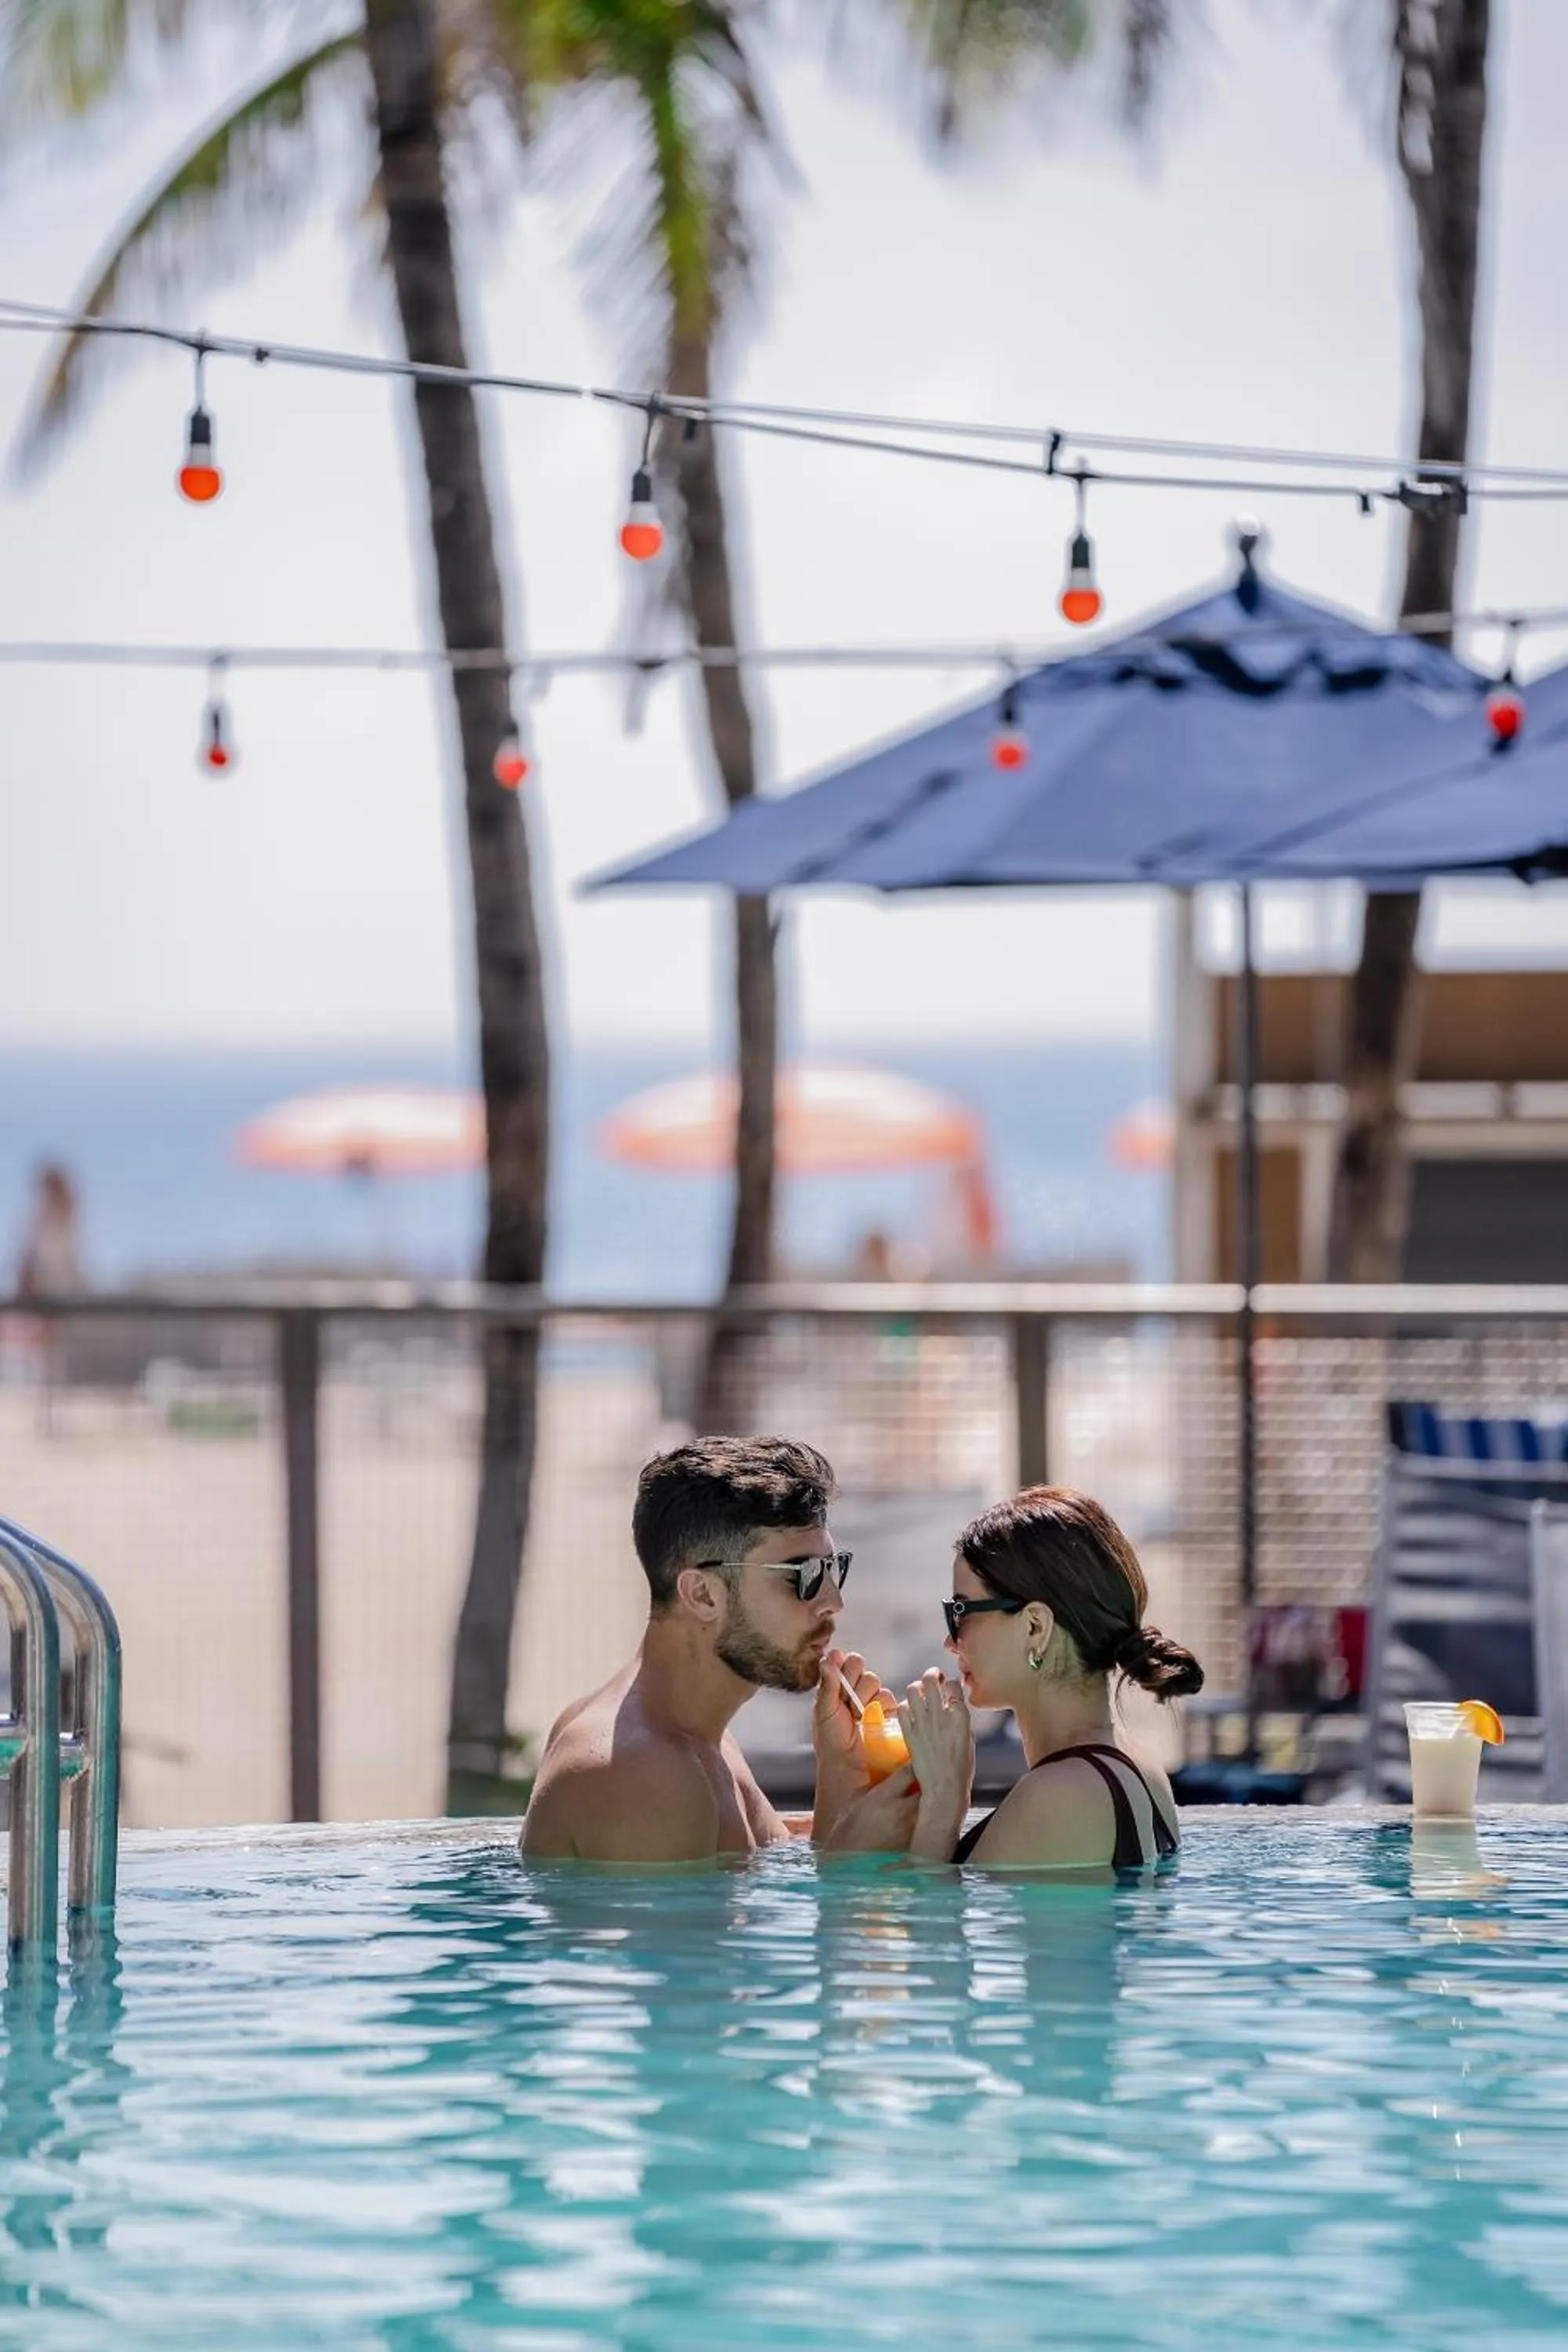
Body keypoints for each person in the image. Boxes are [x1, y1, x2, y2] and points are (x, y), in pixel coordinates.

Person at [521, 1435, 918, 1864]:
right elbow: (720, 1933)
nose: (832, 1601)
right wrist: (851, 1867)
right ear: (703, 1595)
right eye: (802, 1574)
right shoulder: (642, 1774)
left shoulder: (701, 1741)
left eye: (831, 1568)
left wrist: (840, 1773)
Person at [894, 1485, 1205, 1871]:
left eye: (961, 1611)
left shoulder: (1064, 1794)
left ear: (1035, 1627)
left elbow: (927, 1923)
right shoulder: (1136, 1763)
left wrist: (943, 1802)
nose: (950, 1641)